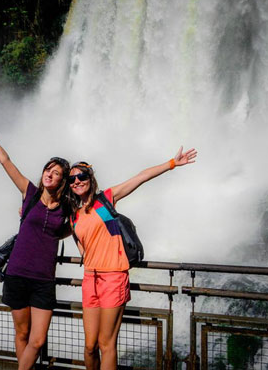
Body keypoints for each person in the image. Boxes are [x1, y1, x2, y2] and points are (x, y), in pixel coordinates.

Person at [68, 147, 197, 370]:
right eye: (72, 178)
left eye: (81, 176)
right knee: (89, 346)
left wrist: (172, 163)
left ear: (90, 178)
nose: (77, 181)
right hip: (90, 280)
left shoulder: (106, 199)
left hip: (114, 277)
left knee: (106, 343)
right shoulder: (73, 216)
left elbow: (140, 177)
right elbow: (83, 248)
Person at [0, 110, 71, 370]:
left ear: (63, 180)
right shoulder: (29, 193)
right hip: (17, 274)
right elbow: (6, 161)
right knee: (22, 335)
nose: (50, 174)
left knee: (37, 340)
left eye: (57, 172)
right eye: (48, 169)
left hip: (43, 281)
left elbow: (71, 227)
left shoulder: (66, 207)